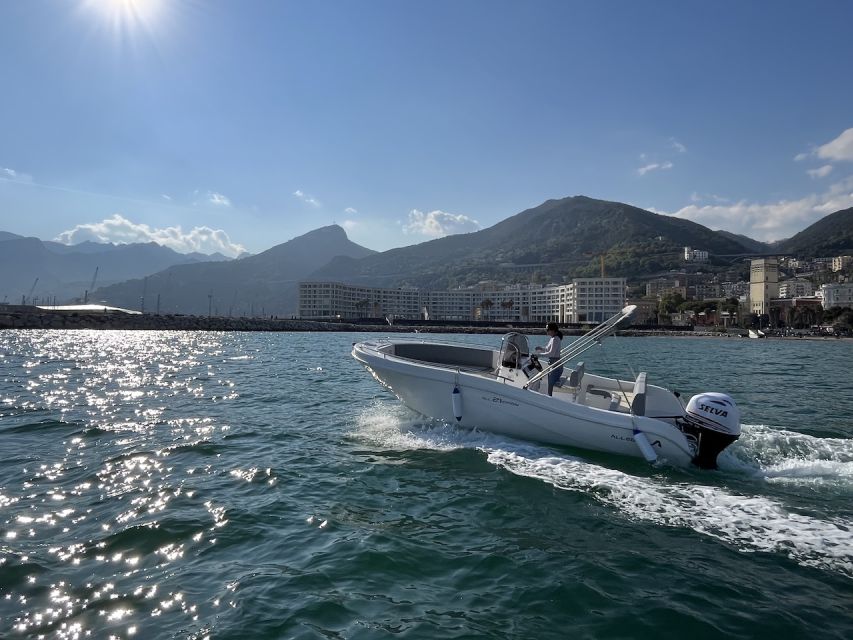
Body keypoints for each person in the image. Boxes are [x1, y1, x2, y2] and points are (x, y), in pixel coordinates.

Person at [535, 322, 564, 395]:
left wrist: (539, 355)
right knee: (549, 386)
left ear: (553, 330)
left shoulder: (555, 339)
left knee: (550, 386)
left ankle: (550, 401)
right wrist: (541, 348)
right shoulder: (553, 338)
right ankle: (549, 399)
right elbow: (548, 349)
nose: (546, 331)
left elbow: (551, 353)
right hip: (553, 365)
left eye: (548, 329)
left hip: (556, 367)